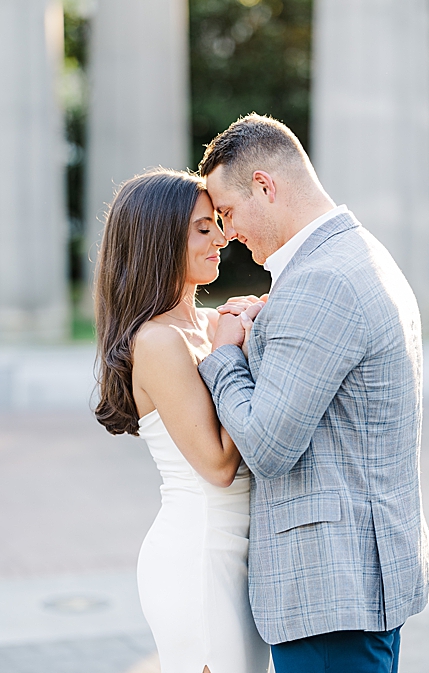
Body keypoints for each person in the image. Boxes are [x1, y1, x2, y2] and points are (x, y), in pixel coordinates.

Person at [197, 114, 429, 672]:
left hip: (328, 592)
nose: (226, 235)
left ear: (265, 186)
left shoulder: (319, 281)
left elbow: (267, 447)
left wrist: (225, 355)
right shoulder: (356, 252)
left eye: (227, 213)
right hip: (360, 582)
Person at [94, 168, 270, 672]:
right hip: (199, 551)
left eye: (217, 222)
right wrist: (230, 357)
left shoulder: (212, 322)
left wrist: (254, 321)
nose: (221, 237)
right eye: (202, 228)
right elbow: (216, 465)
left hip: (243, 549)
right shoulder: (156, 341)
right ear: (159, 238)